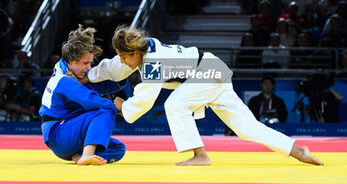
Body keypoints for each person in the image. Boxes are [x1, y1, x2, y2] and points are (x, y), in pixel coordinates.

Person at [87, 25, 324, 166]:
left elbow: (145, 99)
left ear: (136, 52)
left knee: (175, 105)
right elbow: (115, 67)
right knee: (246, 127)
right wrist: (90, 76)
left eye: (125, 56)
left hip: (206, 74)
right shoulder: (144, 49)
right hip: (212, 69)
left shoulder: (153, 62)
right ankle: (297, 150)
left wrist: (123, 105)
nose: (123, 61)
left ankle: (200, 154)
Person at [39, 25, 127, 165]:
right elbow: (90, 100)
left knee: (118, 148)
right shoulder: (63, 80)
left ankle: (77, 155)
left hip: (68, 136)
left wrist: (122, 76)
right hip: (58, 134)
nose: (89, 67)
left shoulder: (72, 72)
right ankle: (87, 155)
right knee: (104, 111)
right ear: (71, 61)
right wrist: (120, 108)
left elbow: (98, 84)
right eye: (85, 63)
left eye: (90, 63)